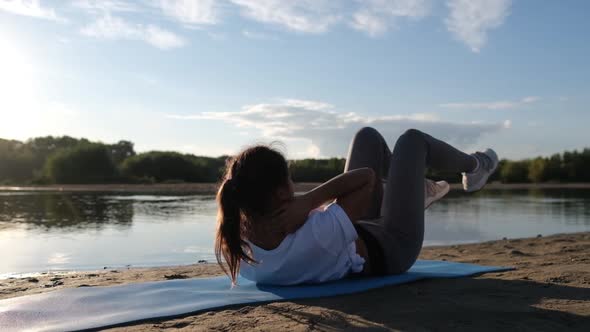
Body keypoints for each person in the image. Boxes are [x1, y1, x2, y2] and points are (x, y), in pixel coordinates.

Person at [214, 127, 499, 286]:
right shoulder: (314, 233)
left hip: (356, 235)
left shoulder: (238, 242)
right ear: (278, 193)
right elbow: (367, 179)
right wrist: (310, 201)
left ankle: (414, 188)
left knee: (367, 137)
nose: (294, 184)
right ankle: (478, 167)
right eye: (290, 178)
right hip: (394, 247)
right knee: (411, 140)